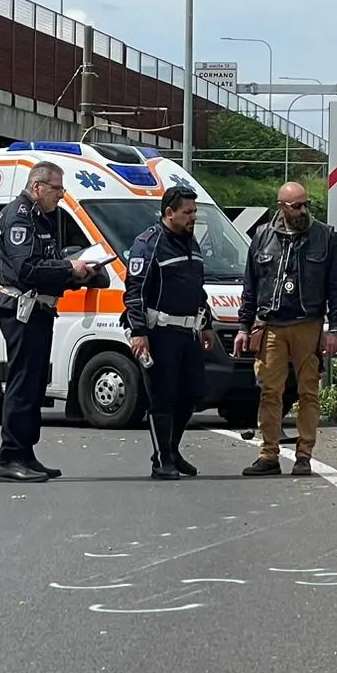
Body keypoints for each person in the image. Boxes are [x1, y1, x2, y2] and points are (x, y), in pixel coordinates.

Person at [0, 162, 106, 482]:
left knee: (35, 383)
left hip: (39, 310)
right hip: (22, 311)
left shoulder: (42, 218)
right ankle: (10, 458)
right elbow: (27, 268)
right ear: (38, 186)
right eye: (57, 189)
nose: (61, 195)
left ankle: (26, 453)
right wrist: (69, 268)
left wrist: (77, 275)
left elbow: (47, 265)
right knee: (23, 384)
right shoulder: (19, 217)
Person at [235, 181, 337, 477]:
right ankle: (269, 455)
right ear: (281, 206)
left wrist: (334, 327)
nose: (302, 210)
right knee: (270, 392)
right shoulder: (262, 237)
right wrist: (244, 326)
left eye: (305, 204)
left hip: (308, 324)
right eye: (296, 206)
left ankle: (304, 456)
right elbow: (251, 285)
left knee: (309, 392)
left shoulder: (324, 236)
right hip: (271, 325)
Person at [124, 185, 214, 480]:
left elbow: (195, 288)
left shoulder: (191, 243)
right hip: (159, 332)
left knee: (192, 393)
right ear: (169, 213)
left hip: (188, 332)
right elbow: (134, 292)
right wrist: (139, 332)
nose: (193, 218)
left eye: (194, 212)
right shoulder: (148, 244)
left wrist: (208, 324)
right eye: (187, 212)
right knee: (163, 397)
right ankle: (162, 460)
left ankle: (171, 450)